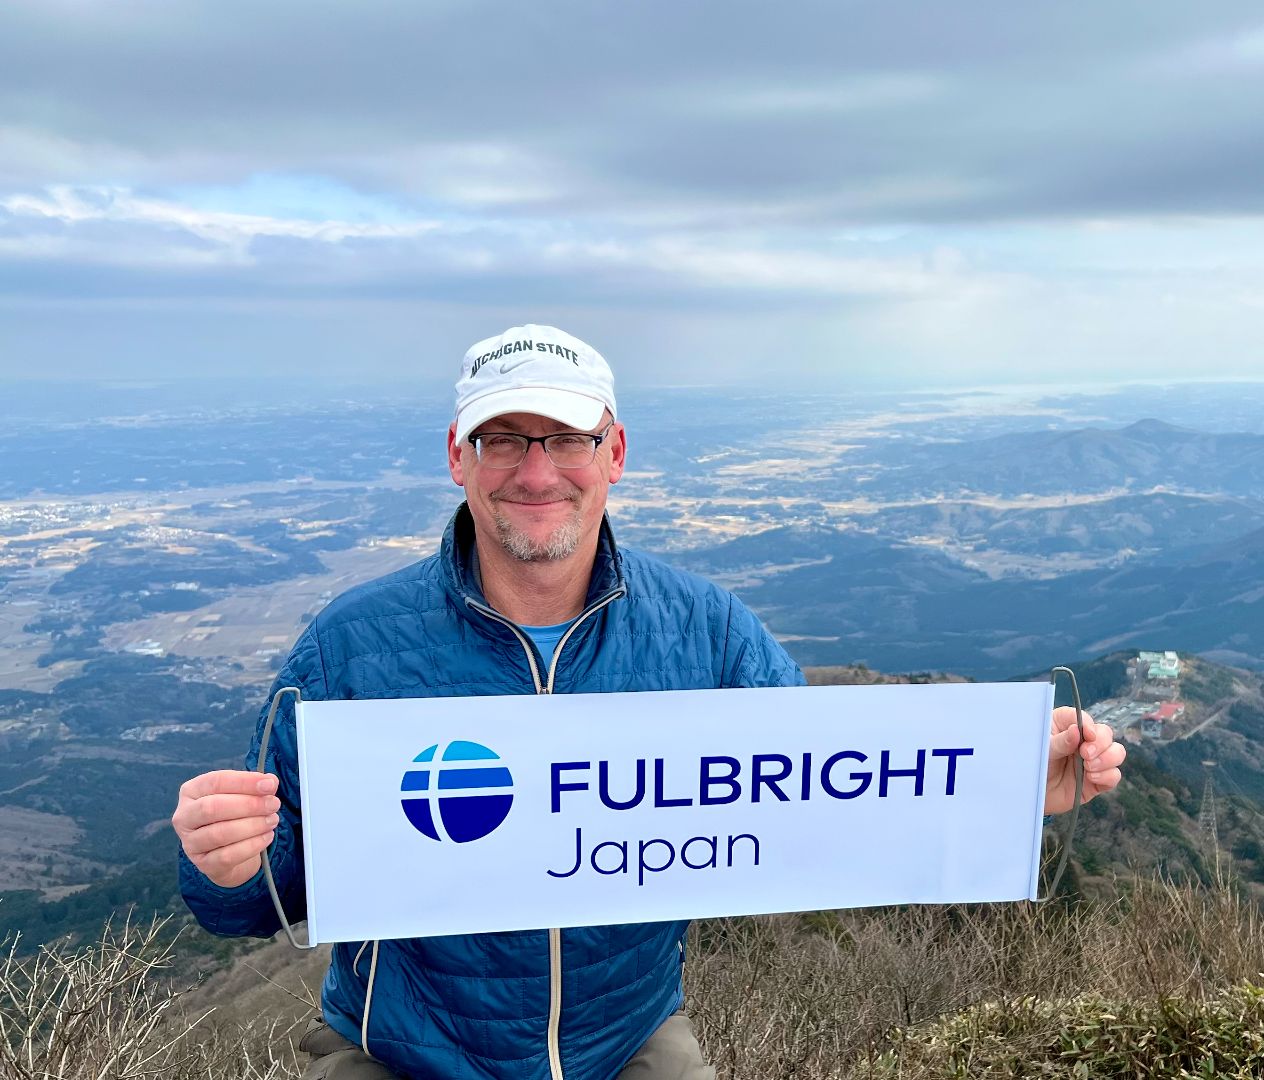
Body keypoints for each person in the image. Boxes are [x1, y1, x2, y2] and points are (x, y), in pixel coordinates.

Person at [173, 324, 1126, 1080]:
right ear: (458, 457)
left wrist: (1008, 790)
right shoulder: (350, 643)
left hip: (627, 1045)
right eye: (504, 438)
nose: (537, 471)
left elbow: (831, 799)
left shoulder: (704, 626)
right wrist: (223, 863)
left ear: (615, 450)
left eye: (568, 439)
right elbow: (264, 901)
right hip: (402, 1054)